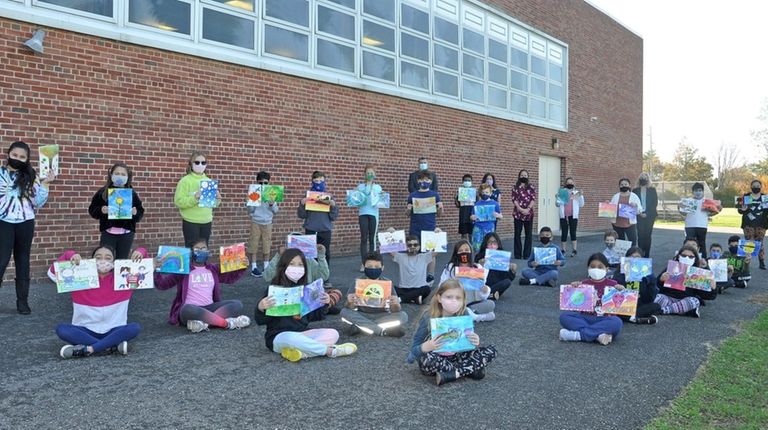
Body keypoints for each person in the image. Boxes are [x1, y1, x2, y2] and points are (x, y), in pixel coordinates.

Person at [254, 248, 357, 362]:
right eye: (292, 264)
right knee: (291, 338)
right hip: (278, 337)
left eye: (300, 265)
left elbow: (314, 316)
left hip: (302, 333)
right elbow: (260, 321)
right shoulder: (274, 290)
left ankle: (302, 353)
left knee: (333, 333)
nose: (296, 268)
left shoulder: (306, 290)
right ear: (283, 267)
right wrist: (260, 308)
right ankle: (330, 351)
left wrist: (324, 304)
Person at [52, 245, 144, 358]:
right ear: (91, 261)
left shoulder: (123, 279)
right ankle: (110, 346)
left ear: (114, 262)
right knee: (62, 329)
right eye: (98, 257)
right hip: (86, 329)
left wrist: (141, 252)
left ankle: (89, 349)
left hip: (114, 328)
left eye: (108, 257)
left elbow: (145, 267)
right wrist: (69, 254)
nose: (103, 261)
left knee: (134, 327)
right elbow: (53, 273)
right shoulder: (79, 277)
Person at [407, 279, 497, 386]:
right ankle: (471, 369)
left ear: (463, 300)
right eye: (449, 297)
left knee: (492, 351)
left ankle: (454, 373)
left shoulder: (464, 314)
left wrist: (475, 340)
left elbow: (468, 342)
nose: (454, 301)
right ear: (439, 298)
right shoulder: (428, 317)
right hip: (437, 358)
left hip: (457, 357)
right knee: (427, 360)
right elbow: (412, 353)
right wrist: (425, 347)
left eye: (458, 298)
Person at [0, 141, 54, 314]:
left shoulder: (32, 176)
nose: (18, 159)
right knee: (1, 261)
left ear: (27, 159)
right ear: (8, 154)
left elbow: (38, 203)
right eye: (15, 155)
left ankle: (22, 302)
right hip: (3, 222)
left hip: (25, 223)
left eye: (22, 157)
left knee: (23, 261)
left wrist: (46, 184)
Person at [154, 240, 251, 332]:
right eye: (197, 249)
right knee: (187, 309)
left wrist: (242, 267)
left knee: (237, 304)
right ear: (191, 252)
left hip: (210, 307)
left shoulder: (213, 269)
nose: (200, 251)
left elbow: (230, 279)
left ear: (208, 251)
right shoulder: (184, 269)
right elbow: (162, 285)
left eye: (204, 248)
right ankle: (227, 323)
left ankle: (203, 324)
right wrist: (157, 270)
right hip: (191, 309)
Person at [559, 253, 624, 345]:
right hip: (584, 317)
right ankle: (598, 335)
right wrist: (574, 289)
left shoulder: (613, 284)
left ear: (607, 269)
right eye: (592, 267)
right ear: (588, 268)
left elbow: (619, 305)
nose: (596, 269)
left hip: (604, 319)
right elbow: (574, 305)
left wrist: (621, 290)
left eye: (600, 267)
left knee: (617, 322)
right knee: (564, 317)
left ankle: (578, 335)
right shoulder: (584, 283)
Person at [263, 240, 341, 315]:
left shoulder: (308, 260)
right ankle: (321, 308)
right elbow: (267, 276)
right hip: (287, 293)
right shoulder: (283, 259)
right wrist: (278, 255)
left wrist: (321, 256)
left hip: (306, 294)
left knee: (335, 292)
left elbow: (324, 276)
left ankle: (324, 306)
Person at [341, 252, 408, 337]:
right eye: (369, 267)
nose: (373, 269)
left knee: (403, 316)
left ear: (382, 268)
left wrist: (395, 304)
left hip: (382, 315)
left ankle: (361, 327)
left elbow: (396, 310)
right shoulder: (357, 282)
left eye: (377, 267)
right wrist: (349, 302)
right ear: (363, 267)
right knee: (344, 312)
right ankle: (381, 331)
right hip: (362, 314)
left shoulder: (387, 283)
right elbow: (349, 307)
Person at [88, 162, 145, 259]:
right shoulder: (103, 192)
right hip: (108, 233)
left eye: (123, 174)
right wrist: (101, 210)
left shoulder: (131, 194)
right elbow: (92, 209)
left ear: (128, 177)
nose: (120, 176)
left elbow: (140, 211)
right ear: (111, 175)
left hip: (126, 234)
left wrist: (135, 213)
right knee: (106, 259)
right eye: (117, 173)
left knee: (121, 261)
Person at [439, 240, 495, 321]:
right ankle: (476, 317)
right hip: (455, 301)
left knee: (491, 304)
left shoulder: (477, 267)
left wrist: (485, 290)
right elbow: (441, 286)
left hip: (472, 302)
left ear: (471, 252)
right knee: (447, 307)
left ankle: (467, 313)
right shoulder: (450, 267)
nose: (464, 253)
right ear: (456, 254)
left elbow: (482, 294)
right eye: (460, 251)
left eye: (466, 250)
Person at [174, 151, 220, 248]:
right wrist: (195, 198)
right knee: (191, 251)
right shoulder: (185, 181)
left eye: (203, 163)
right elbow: (178, 202)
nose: (200, 165)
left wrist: (217, 200)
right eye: (197, 162)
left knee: (203, 251)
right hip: (191, 222)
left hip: (206, 221)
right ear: (191, 163)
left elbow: (212, 205)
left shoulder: (209, 181)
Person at [407, 170, 443, 279]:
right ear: (418, 181)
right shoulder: (413, 195)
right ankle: (416, 274)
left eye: (427, 180)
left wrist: (440, 208)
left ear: (431, 181)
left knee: (430, 253)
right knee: (414, 252)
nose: (424, 181)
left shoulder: (434, 195)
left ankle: (430, 275)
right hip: (415, 228)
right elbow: (408, 214)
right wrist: (408, 209)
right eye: (422, 179)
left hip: (429, 227)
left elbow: (439, 214)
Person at [611, 247, 660, 324]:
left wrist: (650, 281)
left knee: (656, 306)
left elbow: (650, 298)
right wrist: (620, 287)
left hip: (639, 304)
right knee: (614, 308)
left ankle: (630, 317)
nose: (634, 260)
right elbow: (613, 293)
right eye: (631, 257)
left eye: (637, 257)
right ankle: (636, 318)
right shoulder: (620, 272)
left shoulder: (646, 274)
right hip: (624, 304)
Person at [298, 171, 338, 263]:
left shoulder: (329, 197)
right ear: (312, 181)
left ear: (325, 181)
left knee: (325, 254)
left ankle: (325, 275)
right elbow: (301, 215)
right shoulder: (307, 196)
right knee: (310, 255)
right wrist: (302, 205)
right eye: (316, 180)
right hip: (311, 228)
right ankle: (312, 275)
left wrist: (333, 206)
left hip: (325, 229)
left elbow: (333, 217)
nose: (318, 182)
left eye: (321, 180)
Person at [654, 246, 704, 317]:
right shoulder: (671, 268)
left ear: (695, 259)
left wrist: (712, 288)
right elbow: (655, 287)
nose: (687, 258)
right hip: (668, 299)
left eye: (691, 257)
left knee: (695, 301)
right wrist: (660, 280)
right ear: (679, 256)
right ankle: (683, 311)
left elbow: (706, 295)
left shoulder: (697, 272)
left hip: (686, 300)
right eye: (684, 255)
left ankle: (663, 310)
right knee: (657, 297)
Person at [389, 233, 436, 305]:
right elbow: (387, 248)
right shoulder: (400, 257)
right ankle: (414, 298)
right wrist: (389, 233)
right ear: (405, 246)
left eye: (415, 245)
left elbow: (439, 249)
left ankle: (401, 299)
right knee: (389, 287)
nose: (412, 247)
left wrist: (439, 234)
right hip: (404, 289)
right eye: (409, 245)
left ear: (419, 246)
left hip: (419, 288)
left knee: (427, 289)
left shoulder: (424, 257)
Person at [247, 171, 278, 278]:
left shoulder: (272, 193)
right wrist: (253, 202)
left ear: (269, 183)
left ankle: (266, 265)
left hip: (268, 222)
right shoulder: (253, 192)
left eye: (265, 183)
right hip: (256, 221)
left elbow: (276, 210)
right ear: (257, 183)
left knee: (267, 244)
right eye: (260, 183)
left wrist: (272, 204)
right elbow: (250, 210)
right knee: (254, 244)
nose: (263, 185)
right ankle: (254, 267)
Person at [681, 182, 720, 259]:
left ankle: (702, 261)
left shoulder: (706, 201)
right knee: (689, 244)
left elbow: (717, 210)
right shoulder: (688, 201)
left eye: (700, 190)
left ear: (702, 191)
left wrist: (715, 210)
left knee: (701, 244)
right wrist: (680, 207)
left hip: (702, 225)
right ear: (693, 192)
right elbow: (682, 212)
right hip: (690, 225)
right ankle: (686, 258)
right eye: (696, 191)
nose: (698, 192)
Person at [356, 164, 383, 272]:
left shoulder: (378, 187)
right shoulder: (360, 187)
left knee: (372, 239)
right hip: (363, 213)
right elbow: (355, 200)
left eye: (371, 173)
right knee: (363, 238)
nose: (370, 175)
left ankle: (373, 262)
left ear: (375, 174)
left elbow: (382, 200)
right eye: (368, 173)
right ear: (364, 175)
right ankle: (363, 263)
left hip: (374, 214)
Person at [474, 232, 517, 300]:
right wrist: (479, 265)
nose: (492, 245)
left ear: (498, 244)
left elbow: (508, 278)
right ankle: (491, 295)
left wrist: (512, 271)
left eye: (494, 243)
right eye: (489, 243)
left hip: (496, 285)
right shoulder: (480, 256)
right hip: (484, 284)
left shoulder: (502, 257)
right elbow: (474, 276)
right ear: (485, 244)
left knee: (507, 282)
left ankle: (488, 295)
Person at [737, 179, 767, 270]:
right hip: (748, 224)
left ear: (761, 187)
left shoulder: (764, 197)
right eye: (754, 186)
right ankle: (746, 263)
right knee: (748, 243)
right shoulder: (746, 197)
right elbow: (739, 210)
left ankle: (761, 262)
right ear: (751, 187)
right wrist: (742, 209)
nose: (756, 188)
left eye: (758, 186)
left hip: (761, 224)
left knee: (760, 244)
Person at [510, 169, 536, 259]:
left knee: (528, 235)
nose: (523, 177)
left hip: (529, 214)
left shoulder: (531, 187)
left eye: (525, 175)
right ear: (519, 176)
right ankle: (517, 254)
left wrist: (528, 209)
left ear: (527, 176)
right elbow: (514, 199)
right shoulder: (515, 187)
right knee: (517, 234)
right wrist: (520, 209)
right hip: (518, 214)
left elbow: (533, 199)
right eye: (522, 175)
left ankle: (527, 254)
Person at [555, 177, 584, 257]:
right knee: (564, 232)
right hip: (564, 216)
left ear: (573, 184)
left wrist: (581, 196)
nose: (570, 184)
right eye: (568, 183)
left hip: (573, 216)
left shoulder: (576, 192)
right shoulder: (562, 192)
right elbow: (557, 205)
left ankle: (574, 250)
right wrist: (557, 198)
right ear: (565, 184)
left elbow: (581, 204)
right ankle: (563, 250)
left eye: (571, 183)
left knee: (573, 232)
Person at [609, 178, 642, 246]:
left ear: (629, 185)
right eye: (622, 184)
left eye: (625, 184)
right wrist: (608, 205)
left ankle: (631, 255)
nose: (623, 186)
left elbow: (640, 210)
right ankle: (621, 256)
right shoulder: (615, 196)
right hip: (617, 224)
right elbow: (611, 209)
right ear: (619, 186)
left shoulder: (634, 196)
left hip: (630, 224)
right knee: (619, 244)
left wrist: (635, 206)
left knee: (632, 242)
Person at [470, 184, 502, 252]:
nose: (485, 194)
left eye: (487, 192)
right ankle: (477, 261)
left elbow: (501, 216)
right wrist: (472, 217)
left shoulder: (495, 204)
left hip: (489, 228)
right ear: (481, 193)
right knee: (477, 248)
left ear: (490, 193)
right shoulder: (477, 204)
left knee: (490, 248)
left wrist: (498, 215)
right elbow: (472, 216)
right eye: (483, 192)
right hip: (478, 228)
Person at [633, 172, 658, 257]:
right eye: (642, 177)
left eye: (645, 177)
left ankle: (646, 254)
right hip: (639, 215)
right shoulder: (635, 190)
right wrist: (640, 213)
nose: (643, 178)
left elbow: (654, 203)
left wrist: (647, 213)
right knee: (640, 235)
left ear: (648, 179)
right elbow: (633, 203)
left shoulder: (652, 190)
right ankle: (640, 253)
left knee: (647, 235)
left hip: (650, 216)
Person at [455, 174, 475, 242]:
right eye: (465, 180)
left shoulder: (475, 192)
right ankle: (463, 245)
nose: (467, 182)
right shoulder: (460, 192)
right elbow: (457, 205)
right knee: (463, 234)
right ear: (463, 182)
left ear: (471, 182)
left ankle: (472, 248)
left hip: (472, 216)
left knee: (471, 234)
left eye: (469, 180)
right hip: (463, 216)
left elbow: (477, 204)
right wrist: (455, 197)